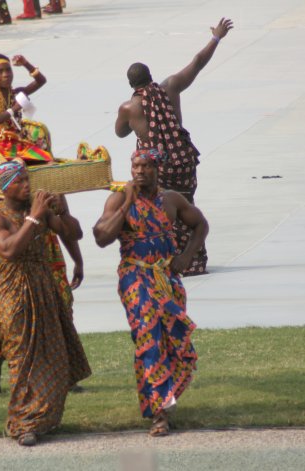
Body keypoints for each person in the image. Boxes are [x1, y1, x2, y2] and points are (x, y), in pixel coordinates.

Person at [93, 149, 208, 437]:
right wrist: (127, 203)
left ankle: (165, 398)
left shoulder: (171, 199)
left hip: (167, 278)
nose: (139, 171)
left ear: (158, 169)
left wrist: (186, 256)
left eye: (146, 166)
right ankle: (159, 413)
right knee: (148, 337)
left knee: (172, 340)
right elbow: (101, 237)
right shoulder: (119, 198)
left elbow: (200, 224)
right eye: (135, 165)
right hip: (135, 276)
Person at [0, 160, 91, 446]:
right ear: (5, 188)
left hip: (44, 286)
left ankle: (42, 419)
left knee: (53, 355)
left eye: (27, 180)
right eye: (19, 182)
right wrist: (34, 218)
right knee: (22, 358)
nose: (27, 185)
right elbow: (10, 250)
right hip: (14, 293)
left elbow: (72, 233)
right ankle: (21, 425)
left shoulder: (37, 209)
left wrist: (60, 211)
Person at [114, 18, 233, 276]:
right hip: (184, 160)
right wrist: (216, 38)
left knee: (164, 209)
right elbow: (197, 63)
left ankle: (169, 258)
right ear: (151, 77)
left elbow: (120, 132)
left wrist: (134, 123)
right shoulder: (170, 87)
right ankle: (194, 259)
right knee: (186, 205)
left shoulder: (128, 107)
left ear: (131, 85)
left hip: (158, 167)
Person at [0, 193, 85, 395]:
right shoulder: (2, 183)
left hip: (46, 254)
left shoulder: (47, 187)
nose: (25, 184)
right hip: (15, 261)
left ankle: (65, 374)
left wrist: (78, 260)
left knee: (61, 310)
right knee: (8, 318)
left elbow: (68, 231)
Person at [0, 53, 52, 164]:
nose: (6, 74)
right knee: (3, 161)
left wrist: (25, 64)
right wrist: (14, 108)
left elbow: (41, 81)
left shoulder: (16, 93)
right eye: (0, 71)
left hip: (12, 141)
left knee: (48, 159)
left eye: (8, 70)